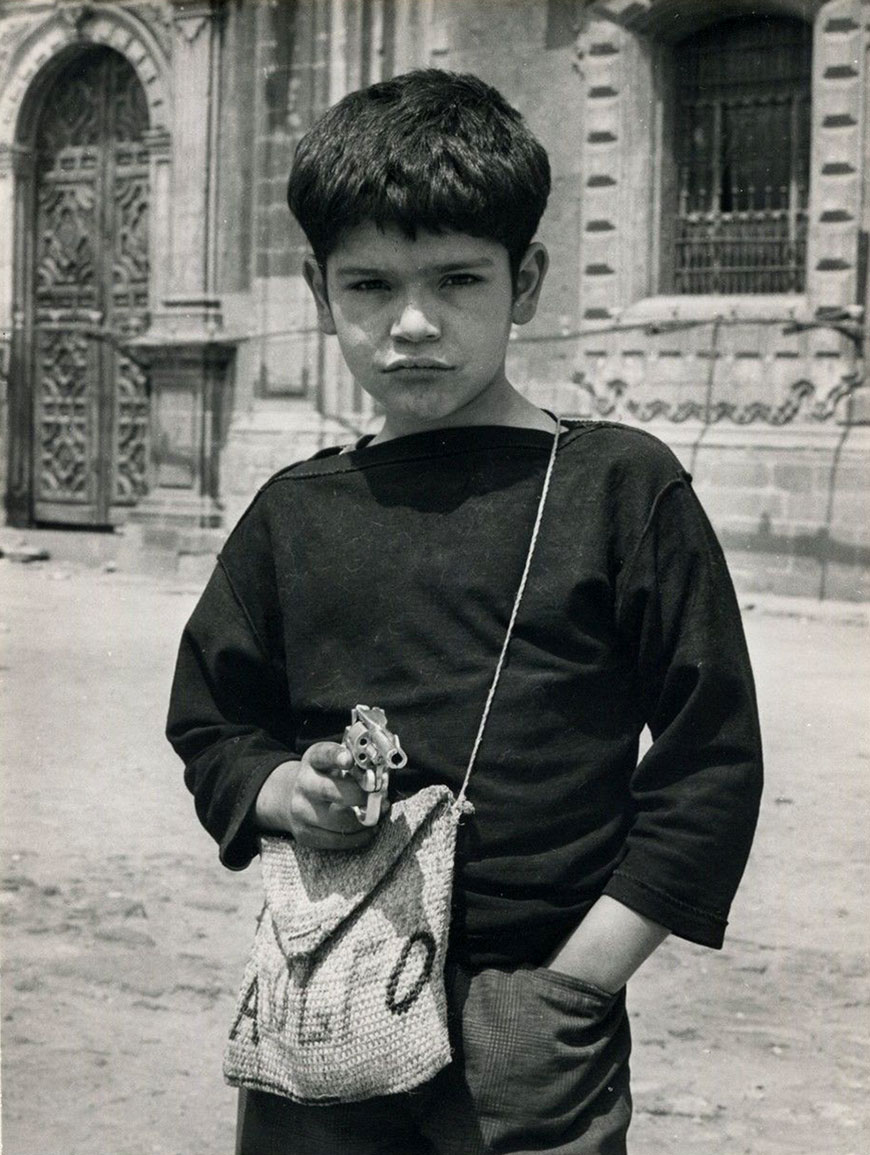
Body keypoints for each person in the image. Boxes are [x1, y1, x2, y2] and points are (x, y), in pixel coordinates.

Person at [167, 69, 763, 1155]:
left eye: (456, 279)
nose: (411, 325)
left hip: (532, 1015)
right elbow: (213, 722)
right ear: (318, 290)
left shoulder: (621, 489)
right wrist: (287, 794)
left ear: (524, 280)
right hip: (327, 990)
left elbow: (710, 760)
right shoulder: (292, 514)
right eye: (368, 287)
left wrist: (579, 984)